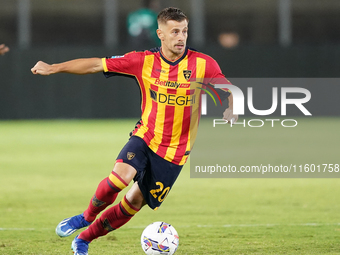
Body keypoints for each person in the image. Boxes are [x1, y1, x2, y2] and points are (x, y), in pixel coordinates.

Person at [31, 7, 238, 255]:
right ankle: (86, 217)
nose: (181, 37)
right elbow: (97, 64)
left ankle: (83, 240)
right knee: (119, 179)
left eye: (184, 31)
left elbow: (230, 90)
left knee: (134, 203)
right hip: (146, 137)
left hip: (174, 153)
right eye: (174, 32)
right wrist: (54, 67)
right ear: (160, 34)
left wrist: (232, 109)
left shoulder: (203, 64)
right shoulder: (143, 61)